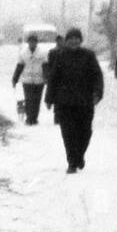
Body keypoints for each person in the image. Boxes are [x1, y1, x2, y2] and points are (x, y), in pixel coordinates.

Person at [43, 28, 104, 173]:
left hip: (85, 101)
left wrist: (97, 92)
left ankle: (79, 155)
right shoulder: (60, 56)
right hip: (65, 102)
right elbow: (53, 78)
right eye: (71, 38)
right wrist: (49, 98)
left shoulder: (89, 55)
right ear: (66, 40)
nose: (74, 41)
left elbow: (97, 75)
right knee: (68, 132)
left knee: (85, 131)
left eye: (77, 38)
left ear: (81, 40)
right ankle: (71, 162)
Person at [10, 32, 49, 125]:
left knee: (36, 100)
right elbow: (19, 66)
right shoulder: (23, 53)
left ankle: (34, 118)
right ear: (28, 42)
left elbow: (46, 66)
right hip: (27, 80)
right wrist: (14, 79)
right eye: (31, 41)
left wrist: (47, 78)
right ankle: (29, 118)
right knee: (29, 99)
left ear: (37, 42)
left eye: (34, 41)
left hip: (39, 80)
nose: (32, 43)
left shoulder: (43, 53)